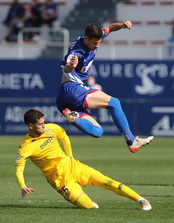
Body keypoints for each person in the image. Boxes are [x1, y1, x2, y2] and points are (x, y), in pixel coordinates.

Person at [15, 109, 152, 210]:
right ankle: (83, 200)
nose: (44, 126)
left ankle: (141, 200)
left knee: (107, 182)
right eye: (40, 124)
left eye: (43, 123)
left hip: (73, 166)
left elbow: (64, 137)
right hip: (59, 179)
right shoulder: (25, 146)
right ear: (30, 126)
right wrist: (23, 186)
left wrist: (70, 156)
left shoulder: (51, 128)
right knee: (87, 206)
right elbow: (19, 169)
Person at [56, 21, 154, 153]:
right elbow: (68, 67)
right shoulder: (77, 53)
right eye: (94, 43)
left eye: (99, 42)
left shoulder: (93, 36)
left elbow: (109, 28)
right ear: (86, 39)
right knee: (114, 103)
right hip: (72, 89)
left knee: (98, 132)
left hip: (64, 101)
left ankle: (74, 118)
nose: (97, 45)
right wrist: (71, 66)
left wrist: (122, 25)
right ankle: (131, 140)